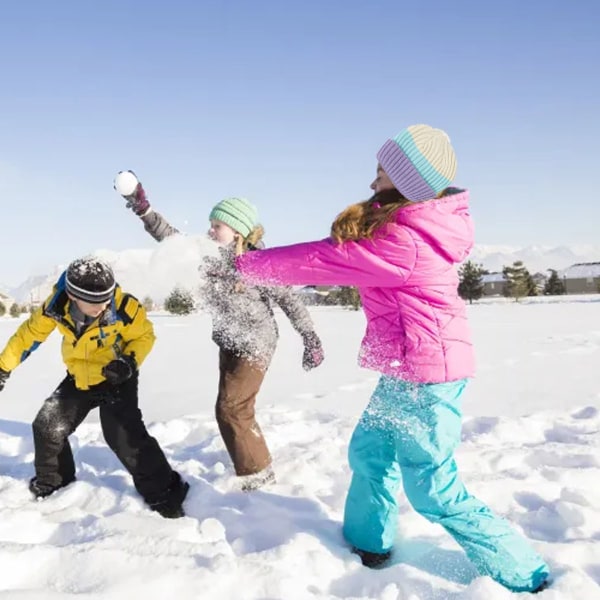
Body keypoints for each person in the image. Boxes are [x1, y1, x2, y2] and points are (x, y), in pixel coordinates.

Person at [231, 125, 550, 592]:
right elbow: (340, 263)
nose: (372, 182)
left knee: (432, 488)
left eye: (381, 173)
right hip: (407, 370)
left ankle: (527, 573)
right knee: (370, 452)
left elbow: (327, 260)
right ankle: (368, 542)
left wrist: (250, 265)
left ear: (408, 184)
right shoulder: (405, 229)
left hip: (428, 375)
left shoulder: (406, 241)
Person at [118, 179, 325, 491]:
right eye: (210, 224)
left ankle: (259, 476)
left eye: (218, 226)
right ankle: (254, 465)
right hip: (228, 340)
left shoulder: (259, 263)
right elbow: (170, 238)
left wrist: (309, 336)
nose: (211, 231)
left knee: (231, 409)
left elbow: (289, 300)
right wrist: (144, 210)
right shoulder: (206, 255)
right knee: (232, 409)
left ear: (238, 232)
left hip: (256, 342)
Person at [0, 257, 189, 518]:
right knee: (47, 426)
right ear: (73, 296)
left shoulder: (124, 306)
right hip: (80, 376)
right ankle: (55, 483)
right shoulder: (55, 308)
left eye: (105, 299)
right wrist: (3, 367)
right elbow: (27, 336)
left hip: (117, 375)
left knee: (122, 436)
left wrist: (128, 361)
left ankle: (166, 490)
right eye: (94, 301)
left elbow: (144, 335)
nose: (101, 306)